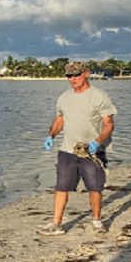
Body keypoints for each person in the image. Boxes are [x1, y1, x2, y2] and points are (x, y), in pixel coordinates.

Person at [39, 62, 117, 235]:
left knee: (95, 188)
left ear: (86, 73)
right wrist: (50, 136)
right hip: (68, 149)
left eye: (76, 74)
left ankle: (96, 221)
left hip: (92, 151)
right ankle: (56, 223)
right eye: (69, 76)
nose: (72, 79)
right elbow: (59, 120)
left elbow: (109, 124)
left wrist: (98, 142)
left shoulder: (99, 96)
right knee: (61, 187)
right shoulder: (64, 97)